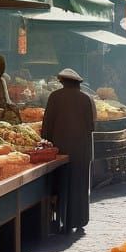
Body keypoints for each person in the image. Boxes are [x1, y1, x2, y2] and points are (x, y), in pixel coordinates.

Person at [42, 68, 96, 235]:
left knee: (62, 184)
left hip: (60, 149)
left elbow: (47, 124)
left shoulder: (55, 97)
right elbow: (91, 126)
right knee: (79, 184)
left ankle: (62, 220)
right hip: (81, 149)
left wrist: (46, 143)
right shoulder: (86, 99)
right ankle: (79, 219)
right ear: (77, 83)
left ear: (63, 82)